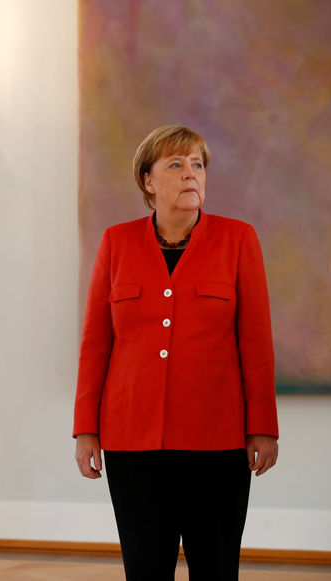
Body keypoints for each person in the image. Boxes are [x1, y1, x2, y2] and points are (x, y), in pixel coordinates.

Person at [73, 125, 279, 581]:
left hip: (217, 440)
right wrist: (85, 428)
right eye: (176, 165)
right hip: (132, 441)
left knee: (216, 568)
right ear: (148, 181)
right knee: (145, 570)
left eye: (197, 165)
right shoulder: (116, 242)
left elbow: (256, 342)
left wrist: (262, 426)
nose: (191, 174)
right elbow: (95, 343)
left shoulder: (238, 240)